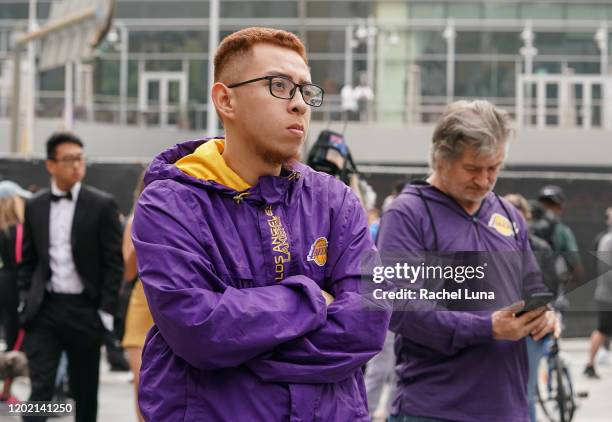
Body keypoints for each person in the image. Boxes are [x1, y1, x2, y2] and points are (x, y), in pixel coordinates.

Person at [132, 27, 390, 421]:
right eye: (280, 85)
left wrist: (243, 354)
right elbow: (197, 328)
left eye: (306, 90)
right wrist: (310, 299)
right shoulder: (170, 203)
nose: (300, 105)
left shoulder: (335, 201)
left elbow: (367, 324)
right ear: (225, 100)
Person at [377, 100, 556, 422]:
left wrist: (542, 317)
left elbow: (533, 285)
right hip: (435, 410)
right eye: (473, 169)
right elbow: (400, 308)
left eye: (495, 168)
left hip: (508, 407)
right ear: (440, 158)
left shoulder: (508, 214)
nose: (485, 180)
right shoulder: (407, 213)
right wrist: (487, 328)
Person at [18, 132, 123, 422]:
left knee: (84, 394)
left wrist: (105, 312)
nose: (77, 165)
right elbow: (28, 261)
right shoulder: (35, 205)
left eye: (80, 158)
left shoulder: (102, 204)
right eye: (69, 159)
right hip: (46, 310)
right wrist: (26, 300)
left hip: (85, 311)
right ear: (51, 165)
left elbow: (114, 264)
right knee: (40, 390)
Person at [505, 193, 559, 422]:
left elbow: (548, 289)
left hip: (529, 328)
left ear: (526, 216)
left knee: (525, 393)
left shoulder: (539, 247)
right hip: (494, 328)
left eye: (519, 211)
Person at [121, 172, 152, 422]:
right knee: (141, 381)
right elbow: (128, 272)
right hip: (142, 299)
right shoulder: (134, 220)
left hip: (177, 296)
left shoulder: (184, 216)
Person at [0, 181, 31, 403]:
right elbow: (22, 263)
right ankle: (5, 392)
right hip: (12, 289)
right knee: (14, 340)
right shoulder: (17, 231)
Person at [584, 206, 612, 379]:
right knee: (602, 330)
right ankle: (590, 365)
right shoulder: (608, 241)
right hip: (608, 295)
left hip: (605, 294)